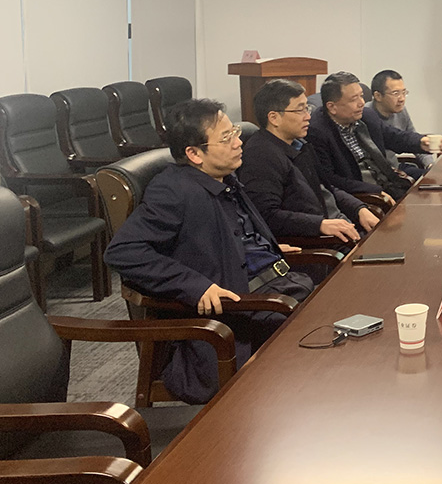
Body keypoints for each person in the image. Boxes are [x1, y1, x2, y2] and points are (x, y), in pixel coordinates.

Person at [103, 99, 313, 403]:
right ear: (194, 154)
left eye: (235, 132)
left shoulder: (222, 177)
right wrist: (195, 285)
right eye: (226, 138)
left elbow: (221, 232)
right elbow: (123, 251)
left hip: (280, 287)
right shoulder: (173, 190)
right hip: (246, 313)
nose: (238, 143)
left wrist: (259, 245)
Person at [239, 79, 379, 248]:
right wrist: (319, 224)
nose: (308, 117)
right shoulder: (260, 156)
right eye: (300, 110)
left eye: (307, 108)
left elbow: (325, 189)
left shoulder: (299, 145)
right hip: (321, 243)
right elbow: (266, 216)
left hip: (342, 230)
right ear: (274, 118)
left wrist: (358, 208)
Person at [307, 71, 442, 202]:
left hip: (389, 185)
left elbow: (393, 137)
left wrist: (420, 142)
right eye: (354, 99)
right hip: (363, 197)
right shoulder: (317, 132)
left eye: (361, 96)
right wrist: (374, 191)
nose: (361, 102)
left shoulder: (366, 116)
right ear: (332, 107)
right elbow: (330, 180)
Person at [365, 69, 432, 177]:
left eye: (404, 92)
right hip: (379, 173)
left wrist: (430, 164)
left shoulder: (401, 111)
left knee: (433, 178)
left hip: (396, 167)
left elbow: (413, 139)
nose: (402, 99)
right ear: (378, 96)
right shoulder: (366, 116)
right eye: (396, 93)